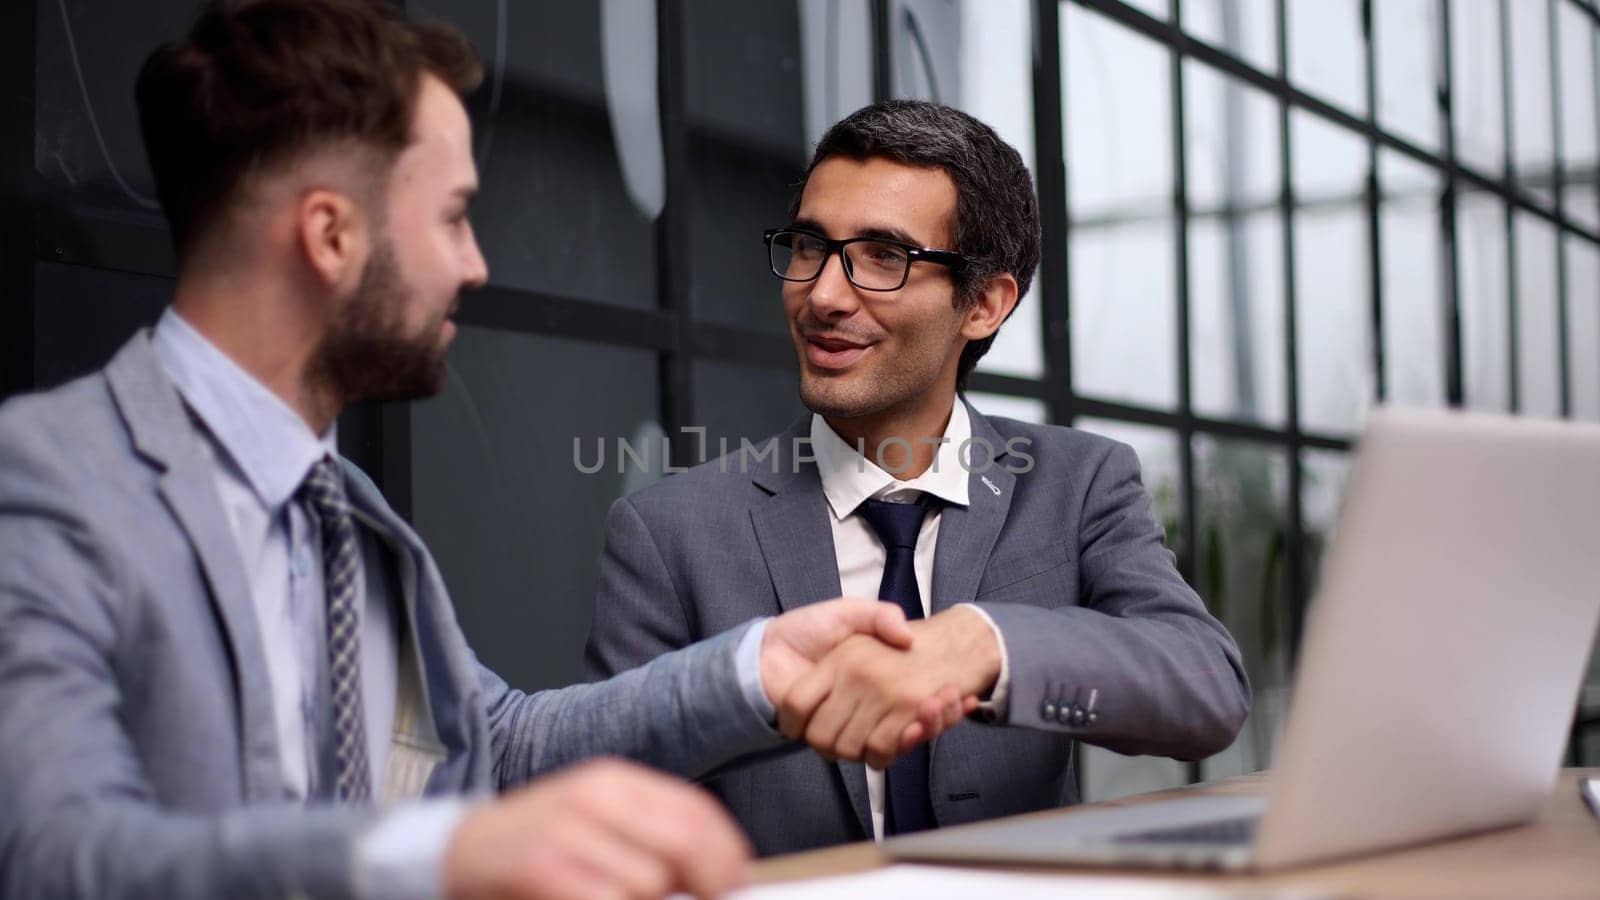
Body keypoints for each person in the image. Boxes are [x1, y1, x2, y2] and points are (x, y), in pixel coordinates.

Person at [0, 5, 970, 899]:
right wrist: (435, 855)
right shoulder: (41, 483)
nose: (476, 264)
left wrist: (753, 670)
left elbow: (492, 748)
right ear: (330, 236)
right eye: (455, 216)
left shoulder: (345, 511)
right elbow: (51, 853)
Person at [585, 99, 1253, 855]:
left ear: (985, 304)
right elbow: (615, 807)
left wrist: (985, 646)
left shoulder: (1078, 484)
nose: (825, 296)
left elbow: (1207, 688)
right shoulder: (670, 532)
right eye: (809, 245)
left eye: (884, 256)